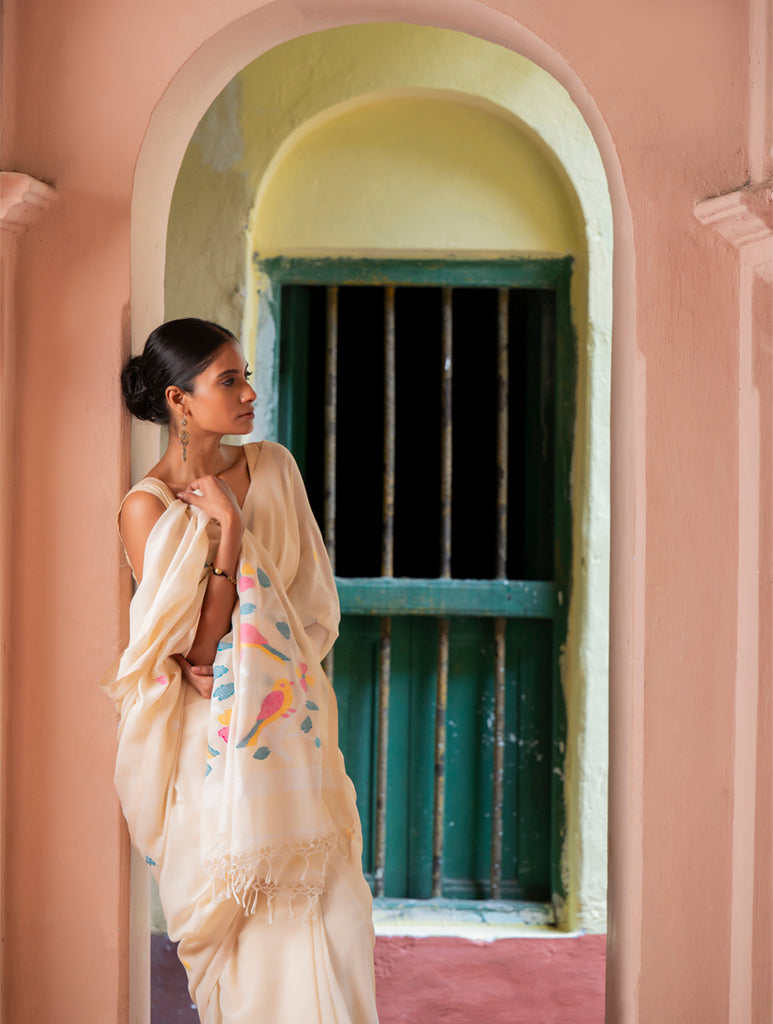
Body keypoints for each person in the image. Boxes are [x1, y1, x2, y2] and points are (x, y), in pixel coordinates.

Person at [101, 318, 379, 1024]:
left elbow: (312, 606)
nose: (250, 392)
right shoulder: (148, 507)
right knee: (255, 952)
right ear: (178, 400)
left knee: (337, 924)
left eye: (245, 375)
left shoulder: (274, 468)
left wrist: (260, 658)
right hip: (213, 758)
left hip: (291, 732)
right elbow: (195, 651)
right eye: (229, 380)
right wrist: (226, 529)